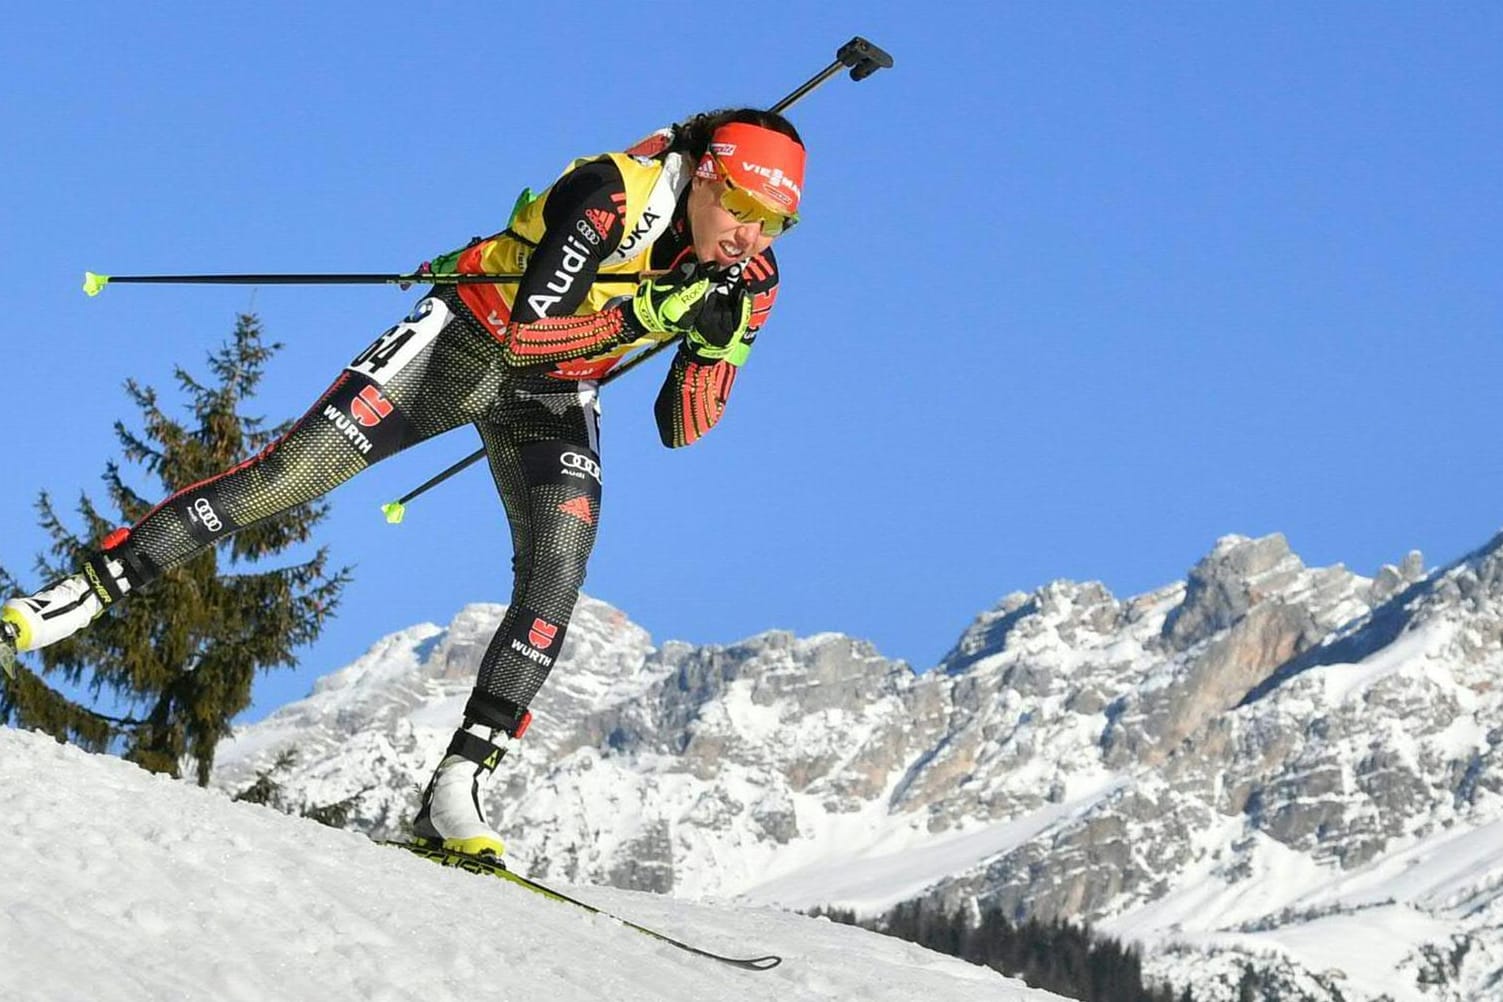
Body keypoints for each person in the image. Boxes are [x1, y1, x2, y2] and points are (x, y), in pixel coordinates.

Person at [0, 108, 806, 858]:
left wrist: (717, 345)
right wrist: (642, 317)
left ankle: (457, 785)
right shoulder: (607, 193)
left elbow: (681, 427)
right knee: (284, 478)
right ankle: (69, 600)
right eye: (740, 207)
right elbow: (527, 337)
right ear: (704, 174)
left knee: (559, 569)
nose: (749, 235)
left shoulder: (754, 276)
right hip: (467, 339)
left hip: (557, 393)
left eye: (771, 222)